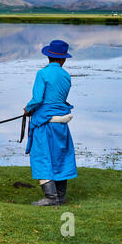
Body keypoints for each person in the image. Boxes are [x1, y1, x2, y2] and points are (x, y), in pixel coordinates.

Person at [23, 40, 77, 206]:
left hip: (45, 123)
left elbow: (38, 99)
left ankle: (51, 198)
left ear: (48, 56)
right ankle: (60, 196)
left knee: (42, 156)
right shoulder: (66, 75)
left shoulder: (42, 74)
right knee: (60, 156)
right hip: (61, 122)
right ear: (64, 59)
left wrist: (27, 109)